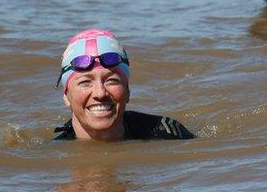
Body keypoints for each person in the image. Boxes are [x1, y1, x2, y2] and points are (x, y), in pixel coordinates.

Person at [53, 29, 194, 141]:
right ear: (66, 95)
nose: (100, 93)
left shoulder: (169, 134)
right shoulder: (53, 158)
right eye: (85, 82)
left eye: (111, 81)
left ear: (127, 90)